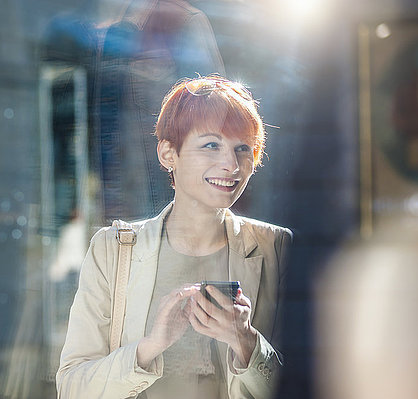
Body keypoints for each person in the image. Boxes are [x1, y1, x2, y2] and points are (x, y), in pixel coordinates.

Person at [56, 76, 292, 399]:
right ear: (168, 154)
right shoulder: (112, 250)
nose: (231, 165)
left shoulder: (277, 248)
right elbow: (71, 388)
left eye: (242, 149)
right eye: (211, 145)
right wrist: (149, 348)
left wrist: (247, 342)